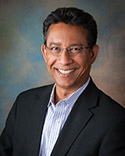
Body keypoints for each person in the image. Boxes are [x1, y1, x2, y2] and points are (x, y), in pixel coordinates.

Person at [0, 7, 125, 156]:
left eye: (75, 49)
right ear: (45, 53)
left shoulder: (114, 120)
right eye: (55, 48)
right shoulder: (24, 103)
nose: (64, 60)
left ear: (93, 54)